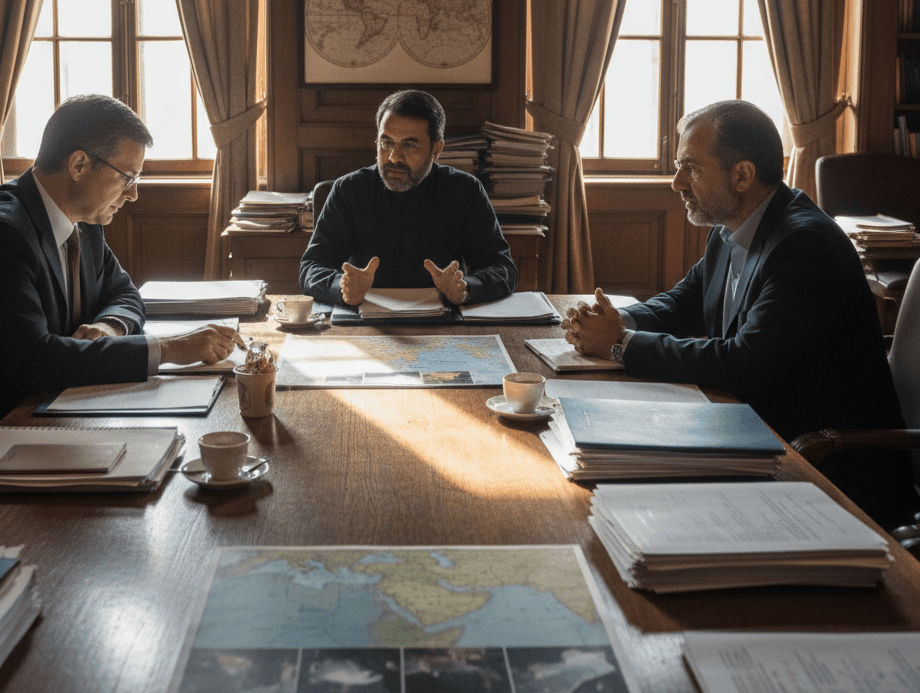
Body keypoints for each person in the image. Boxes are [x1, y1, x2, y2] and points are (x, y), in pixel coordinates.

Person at [561, 99, 916, 529]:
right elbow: (682, 302)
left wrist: (619, 345)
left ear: (742, 175)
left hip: (829, 466)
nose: (675, 183)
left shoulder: (805, 246)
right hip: (755, 432)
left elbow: (744, 363)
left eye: (690, 168)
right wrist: (613, 319)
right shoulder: (731, 227)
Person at [0, 94, 238, 427]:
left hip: (44, 413)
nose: (133, 193)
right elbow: (34, 360)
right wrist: (168, 348)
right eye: (128, 177)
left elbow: (125, 294)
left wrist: (110, 327)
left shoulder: (83, 223)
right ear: (78, 165)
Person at [300, 89, 517, 307]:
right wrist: (343, 288)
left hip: (442, 320)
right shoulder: (349, 190)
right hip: (367, 319)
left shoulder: (464, 191)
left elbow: (502, 268)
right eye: (386, 143)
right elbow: (312, 268)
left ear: (436, 149)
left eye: (409, 145)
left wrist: (465, 288)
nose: (394, 157)